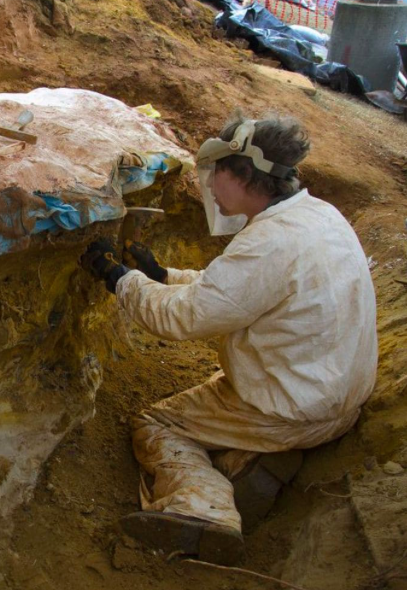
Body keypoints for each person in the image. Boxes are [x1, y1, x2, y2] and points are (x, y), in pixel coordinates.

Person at [81, 114, 377, 565]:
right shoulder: (319, 216)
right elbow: (236, 290)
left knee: (157, 424)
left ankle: (202, 509)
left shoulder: (268, 243)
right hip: (336, 395)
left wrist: (119, 278)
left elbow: (182, 319)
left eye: (216, 171)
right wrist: (163, 275)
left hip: (291, 408)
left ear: (241, 173)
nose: (211, 186)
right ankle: (248, 461)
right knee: (222, 392)